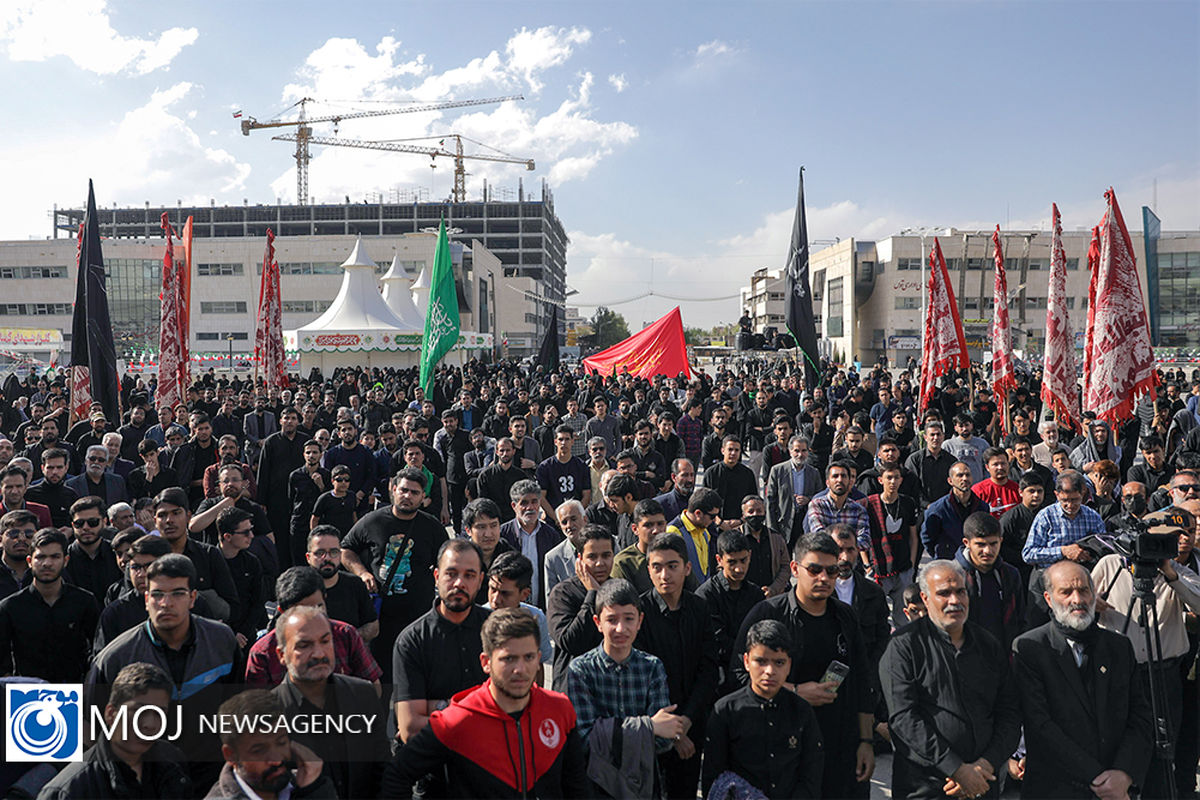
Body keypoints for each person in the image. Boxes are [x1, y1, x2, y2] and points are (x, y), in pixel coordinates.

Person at [382, 607, 589, 798]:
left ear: (539, 659)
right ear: (486, 662)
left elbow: (576, 787)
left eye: (528, 657)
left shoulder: (559, 710)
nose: (520, 669)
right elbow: (397, 775)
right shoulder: (457, 720)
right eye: (508, 659)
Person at [731, 532, 875, 799]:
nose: (824, 578)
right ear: (795, 569)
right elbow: (739, 674)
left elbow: (861, 682)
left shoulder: (845, 617)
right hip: (781, 746)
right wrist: (794, 691)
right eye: (815, 569)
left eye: (831, 571)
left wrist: (866, 741)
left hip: (839, 747)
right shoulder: (768, 614)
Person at [88, 554, 239, 792]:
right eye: (158, 594)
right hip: (147, 781)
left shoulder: (222, 641)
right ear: (146, 599)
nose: (166, 603)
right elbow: (91, 728)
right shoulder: (115, 658)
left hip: (212, 776)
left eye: (177, 593)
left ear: (192, 598)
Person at [1012, 559, 1153, 800]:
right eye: (1066, 592)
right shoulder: (1030, 649)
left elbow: (1140, 716)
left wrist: (1124, 774)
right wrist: (1098, 778)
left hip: (1116, 788)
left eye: (1084, 590)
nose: (1077, 600)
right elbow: (1040, 725)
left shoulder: (1119, 646)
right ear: (1048, 598)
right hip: (1056, 788)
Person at [880, 559, 1021, 799]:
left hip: (983, 782)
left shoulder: (988, 645)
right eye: (944, 593)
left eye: (960, 591)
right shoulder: (904, 647)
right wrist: (955, 769)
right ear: (925, 599)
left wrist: (984, 766)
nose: (954, 601)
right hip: (926, 786)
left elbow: (1009, 711)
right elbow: (904, 719)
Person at [1091, 506, 1200, 797]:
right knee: (1118, 744)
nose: (1173, 544)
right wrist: (1092, 605)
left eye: (1179, 537)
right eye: (1163, 539)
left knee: (1163, 749)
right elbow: (1080, 606)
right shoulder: (1110, 565)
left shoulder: (1179, 572)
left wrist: (1170, 574)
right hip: (1120, 673)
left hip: (1164, 674)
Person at [566, 578, 686, 799]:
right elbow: (584, 739)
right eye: (611, 619)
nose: (621, 628)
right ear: (597, 622)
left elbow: (665, 739)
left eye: (629, 619)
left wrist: (611, 734)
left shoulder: (651, 667)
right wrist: (648, 726)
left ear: (640, 621)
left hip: (642, 785)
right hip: (595, 785)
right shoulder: (580, 670)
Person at [270, 605, 388, 799]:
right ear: (281, 655)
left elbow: (384, 770)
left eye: (325, 641)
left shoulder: (363, 694)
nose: (319, 653)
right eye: (304, 645)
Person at [634, 533, 719, 800]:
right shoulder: (639, 612)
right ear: (648, 570)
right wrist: (673, 734)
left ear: (687, 568)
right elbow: (642, 678)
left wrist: (686, 725)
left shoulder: (700, 608)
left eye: (672, 566)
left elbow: (708, 669)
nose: (664, 575)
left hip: (693, 725)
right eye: (656, 567)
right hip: (652, 726)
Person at [340, 468, 447, 678]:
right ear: (393, 489)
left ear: (423, 497)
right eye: (404, 490)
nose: (407, 496)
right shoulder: (372, 521)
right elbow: (345, 550)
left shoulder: (432, 528)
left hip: (417, 618)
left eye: (415, 493)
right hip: (380, 619)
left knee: (414, 679)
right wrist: (362, 573)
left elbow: (447, 562)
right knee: (381, 681)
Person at [701, 619, 824, 799]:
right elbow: (714, 779)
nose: (769, 671)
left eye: (779, 663)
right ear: (746, 661)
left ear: (789, 665)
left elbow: (811, 774)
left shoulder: (801, 710)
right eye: (761, 661)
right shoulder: (726, 711)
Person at [38, 662, 192, 800]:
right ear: (111, 714)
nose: (150, 724)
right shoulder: (70, 790)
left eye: (158, 713)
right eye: (139, 711)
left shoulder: (173, 763)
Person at [392, 538, 489, 745]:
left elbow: (515, 709)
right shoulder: (412, 641)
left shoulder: (496, 631)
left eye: (469, 575)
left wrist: (438, 708)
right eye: (451, 574)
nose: (459, 583)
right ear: (436, 576)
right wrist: (482, 716)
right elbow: (410, 728)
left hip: (491, 763)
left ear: (480, 581)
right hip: (433, 767)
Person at [244, 566, 382, 689]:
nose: (312, 617)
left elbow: (373, 688)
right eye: (302, 611)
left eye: (318, 607)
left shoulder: (346, 635)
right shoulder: (263, 652)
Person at [0, 527, 99, 682]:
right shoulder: (10, 607)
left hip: (74, 691)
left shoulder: (84, 601)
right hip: (27, 695)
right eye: (40, 557)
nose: (47, 563)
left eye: (55, 557)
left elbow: (97, 648)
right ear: (30, 561)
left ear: (65, 561)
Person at [207, 690, 334, 800]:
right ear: (231, 755)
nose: (276, 760)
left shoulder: (303, 784)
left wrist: (312, 789)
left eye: (281, 743)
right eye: (259, 751)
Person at [153, 487, 240, 623]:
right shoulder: (148, 558)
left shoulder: (209, 555)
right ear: (155, 521)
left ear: (188, 516)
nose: (169, 520)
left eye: (176, 513)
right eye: (162, 515)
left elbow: (231, 606)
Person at [547, 525, 616, 692]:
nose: (600, 563)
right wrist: (592, 594)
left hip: (611, 688)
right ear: (580, 559)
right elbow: (570, 641)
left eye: (606, 555)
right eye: (592, 557)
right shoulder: (563, 593)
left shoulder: (619, 590)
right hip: (573, 688)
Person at [955, 511, 1024, 651]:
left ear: (1001, 541)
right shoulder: (953, 576)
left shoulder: (1010, 575)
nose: (988, 551)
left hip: (1002, 656)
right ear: (966, 543)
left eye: (993, 544)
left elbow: (1020, 617)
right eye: (980, 545)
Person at [483, 552, 554, 684]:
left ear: (524, 594)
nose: (496, 600)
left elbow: (539, 668)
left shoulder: (536, 619)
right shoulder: (478, 619)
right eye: (492, 590)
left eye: (505, 594)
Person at [257, 407, 310, 569]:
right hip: (276, 500)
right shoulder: (271, 442)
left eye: (293, 418)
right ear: (280, 421)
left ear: (298, 421)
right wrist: (261, 501)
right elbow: (263, 472)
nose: (290, 422)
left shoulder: (305, 441)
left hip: (301, 499)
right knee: (279, 538)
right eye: (286, 418)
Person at [303, 525, 378, 640]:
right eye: (320, 553)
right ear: (308, 557)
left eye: (333, 552)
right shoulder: (299, 587)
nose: (327, 558)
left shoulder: (355, 584)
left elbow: (372, 626)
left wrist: (346, 640)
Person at [501, 478, 564, 608]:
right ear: (514, 506)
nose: (530, 507)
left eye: (534, 502)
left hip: (541, 608)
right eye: (524, 503)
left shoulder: (551, 536)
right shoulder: (503, 535)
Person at [921, 461, 991, 560]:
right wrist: (940, 555)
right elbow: (927, 538)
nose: (965, 478)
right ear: (950, 481)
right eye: (960, 475)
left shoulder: (982, 507)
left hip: (974, 561)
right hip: (947, 562)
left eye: (967, 475)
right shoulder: (937, 509)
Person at [766, 434, 822, 548]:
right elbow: (770, 500)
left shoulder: (814, 473)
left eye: (803, 450)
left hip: (806, 521)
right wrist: (772, 528)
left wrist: (809, 499)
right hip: (784, 523)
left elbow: (820, 497)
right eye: (796, 451)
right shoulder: (777, 471)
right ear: (790, 451)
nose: (800, 454)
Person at [63, 495, 123, 601]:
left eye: (93, 522)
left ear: (104, 522)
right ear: (72, 525)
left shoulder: (117, 555)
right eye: (79, 523)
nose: (86, 527)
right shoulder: (64, 559)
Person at [665, 487, 722, 584]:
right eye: (712, 516)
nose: (715, 520)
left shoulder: (704, 531)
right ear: (698, 513)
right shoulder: (674, 532)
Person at [804, 460, 870, 541]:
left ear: (850, 482)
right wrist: (848, 544)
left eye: (843, 476)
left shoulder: (859, 510)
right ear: (827, 483)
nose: (839, 480)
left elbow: (865, 539)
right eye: (835, 476)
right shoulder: (817, 504)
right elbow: (819, 535)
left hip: (849, 553)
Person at [701, 435, 759, 529]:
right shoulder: (711, 473)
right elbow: (704, 503)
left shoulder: (747, 474)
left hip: (741, 525)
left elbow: (753, 500)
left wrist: (741, 520)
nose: (733, 453)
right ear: (723, 450)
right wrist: (719, 522)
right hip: (715, 525)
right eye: (730, 449)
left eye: (737, 450)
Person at [739, 493, 791, 596]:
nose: (755, 514)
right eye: (750, 511)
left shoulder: (776, 538)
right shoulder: (735, 537)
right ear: (743, 515)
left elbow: (785, 567)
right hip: (742, 596)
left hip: (771, 596)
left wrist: (773, 589)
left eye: (759, 511)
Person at [544, 498, 587, 598]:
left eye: (573, 519)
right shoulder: (553, 558)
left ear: (585, 519)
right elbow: (551, 599)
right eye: (564, 522)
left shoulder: (607, 543)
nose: (569, 525)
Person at [972, 446, 1021, 519]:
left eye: (1003, 463)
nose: (1000, 467)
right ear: (987, 467)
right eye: (995, 464)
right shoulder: (978, 491)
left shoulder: (1017, 489)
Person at [0, 508, 35, 600]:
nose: (22, 538)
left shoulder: (48, 570)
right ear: (0, 540)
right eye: (14, 533)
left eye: (29, 534)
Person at [945, 414, 990, 484]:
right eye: (961, 426)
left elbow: (988, 466)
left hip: (978, 487)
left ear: (971, 425)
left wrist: (986, 483)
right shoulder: (948, 445)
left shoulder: (982, 444)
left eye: (967, 425)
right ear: (955, 428)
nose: (964, 429)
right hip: (957, 487)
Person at [653, 457, 696, 523]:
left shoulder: (700, 503)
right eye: (685, 475)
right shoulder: (659, 504)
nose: (690, 479)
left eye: (692, 475)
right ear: (673, 477)